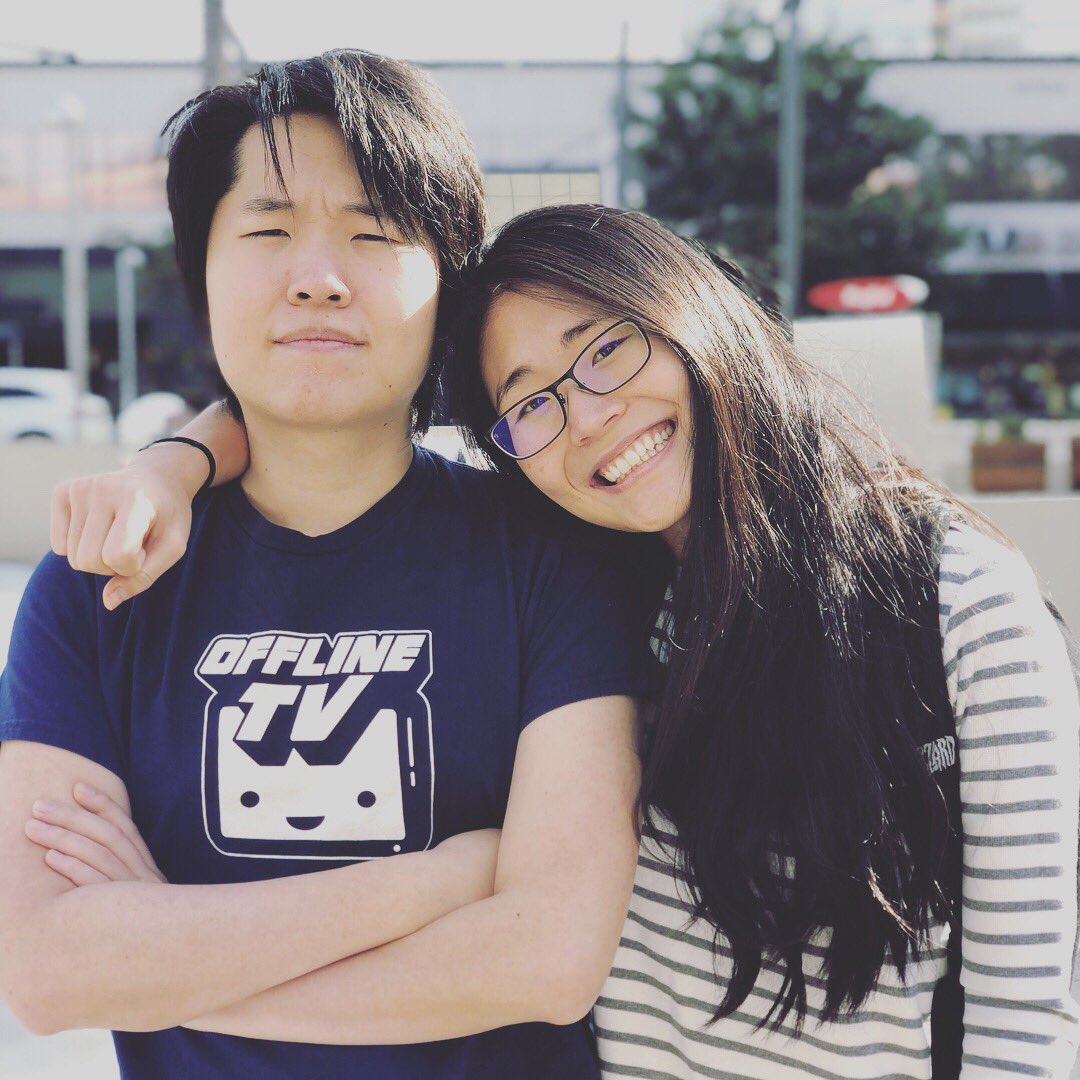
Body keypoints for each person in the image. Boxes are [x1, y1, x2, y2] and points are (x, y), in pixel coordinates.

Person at [34, 203, 1080, 1078]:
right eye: (531, 403)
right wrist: (173, 462)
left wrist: (161, 976)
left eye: (607, 347)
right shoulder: (602, 587)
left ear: (695, 309)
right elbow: (311, 407)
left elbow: (1026, 1023)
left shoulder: (952, 602)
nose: (587, 416)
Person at [0, 58, 651, 1080]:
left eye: (373, 233)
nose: (316, 276)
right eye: (267, 231)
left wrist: (159, 953)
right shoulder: (101, 577)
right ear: (201, 277)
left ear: (447, 287)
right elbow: (47, 972)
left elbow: (549, 961)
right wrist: (442, 881)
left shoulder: (552, 556)